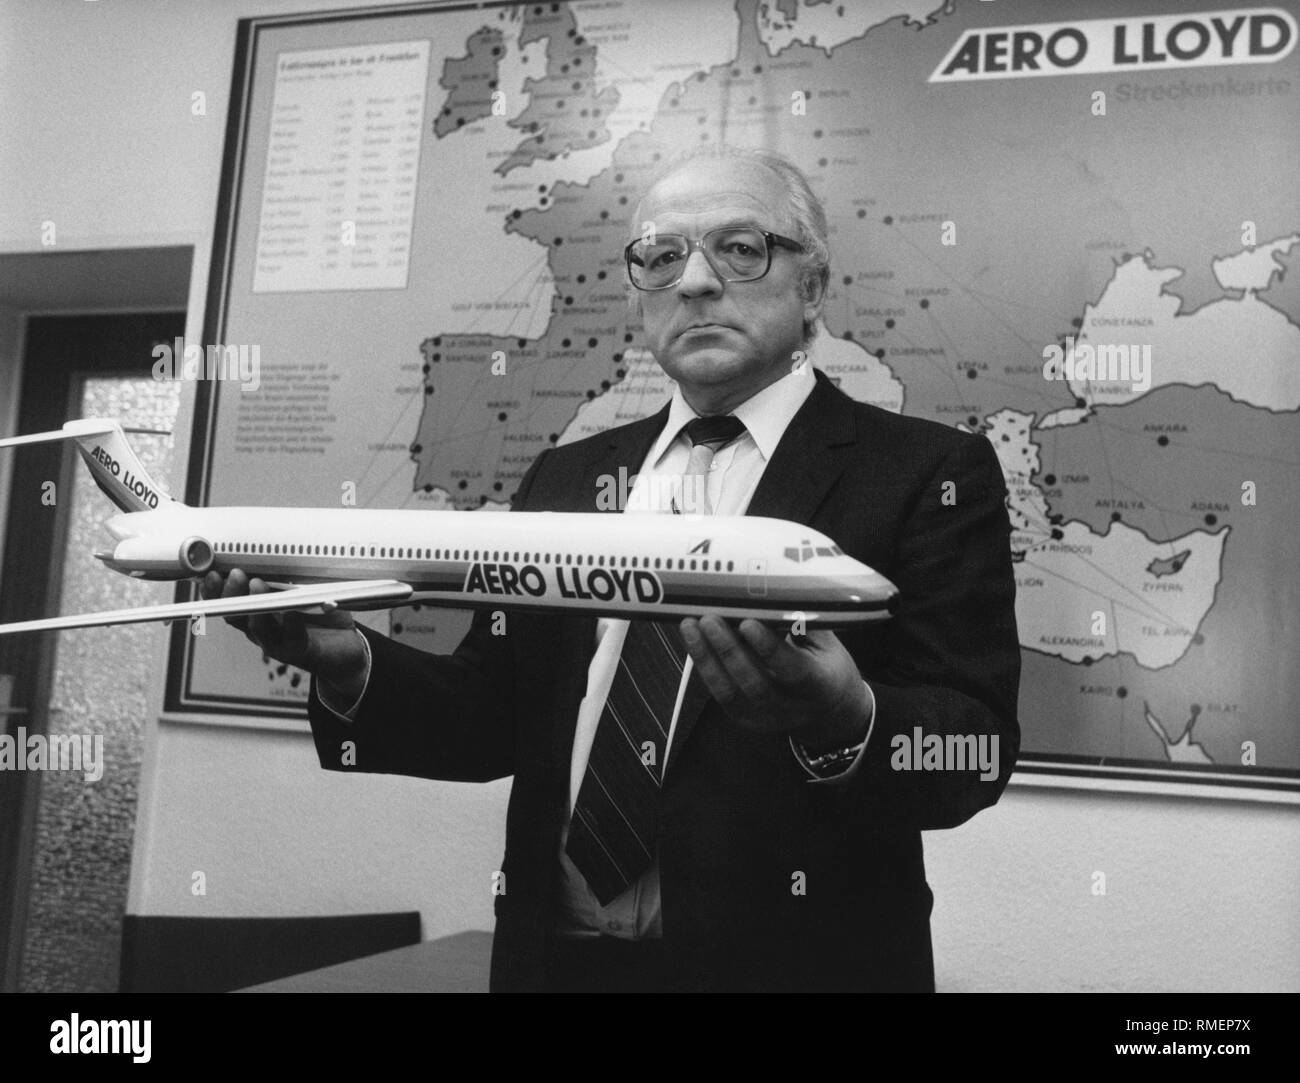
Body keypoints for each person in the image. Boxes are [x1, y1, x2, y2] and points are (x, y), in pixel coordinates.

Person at [204, 146, 1020, 993]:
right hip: (555, 967)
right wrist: (347, 661)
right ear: (638, 296)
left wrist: (845, 718)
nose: (695, 282)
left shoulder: (926, 474)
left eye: (740, 248)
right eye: (662, 257)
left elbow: (974, 749)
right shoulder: (567, 478)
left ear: (811, 285)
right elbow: (497, 716)